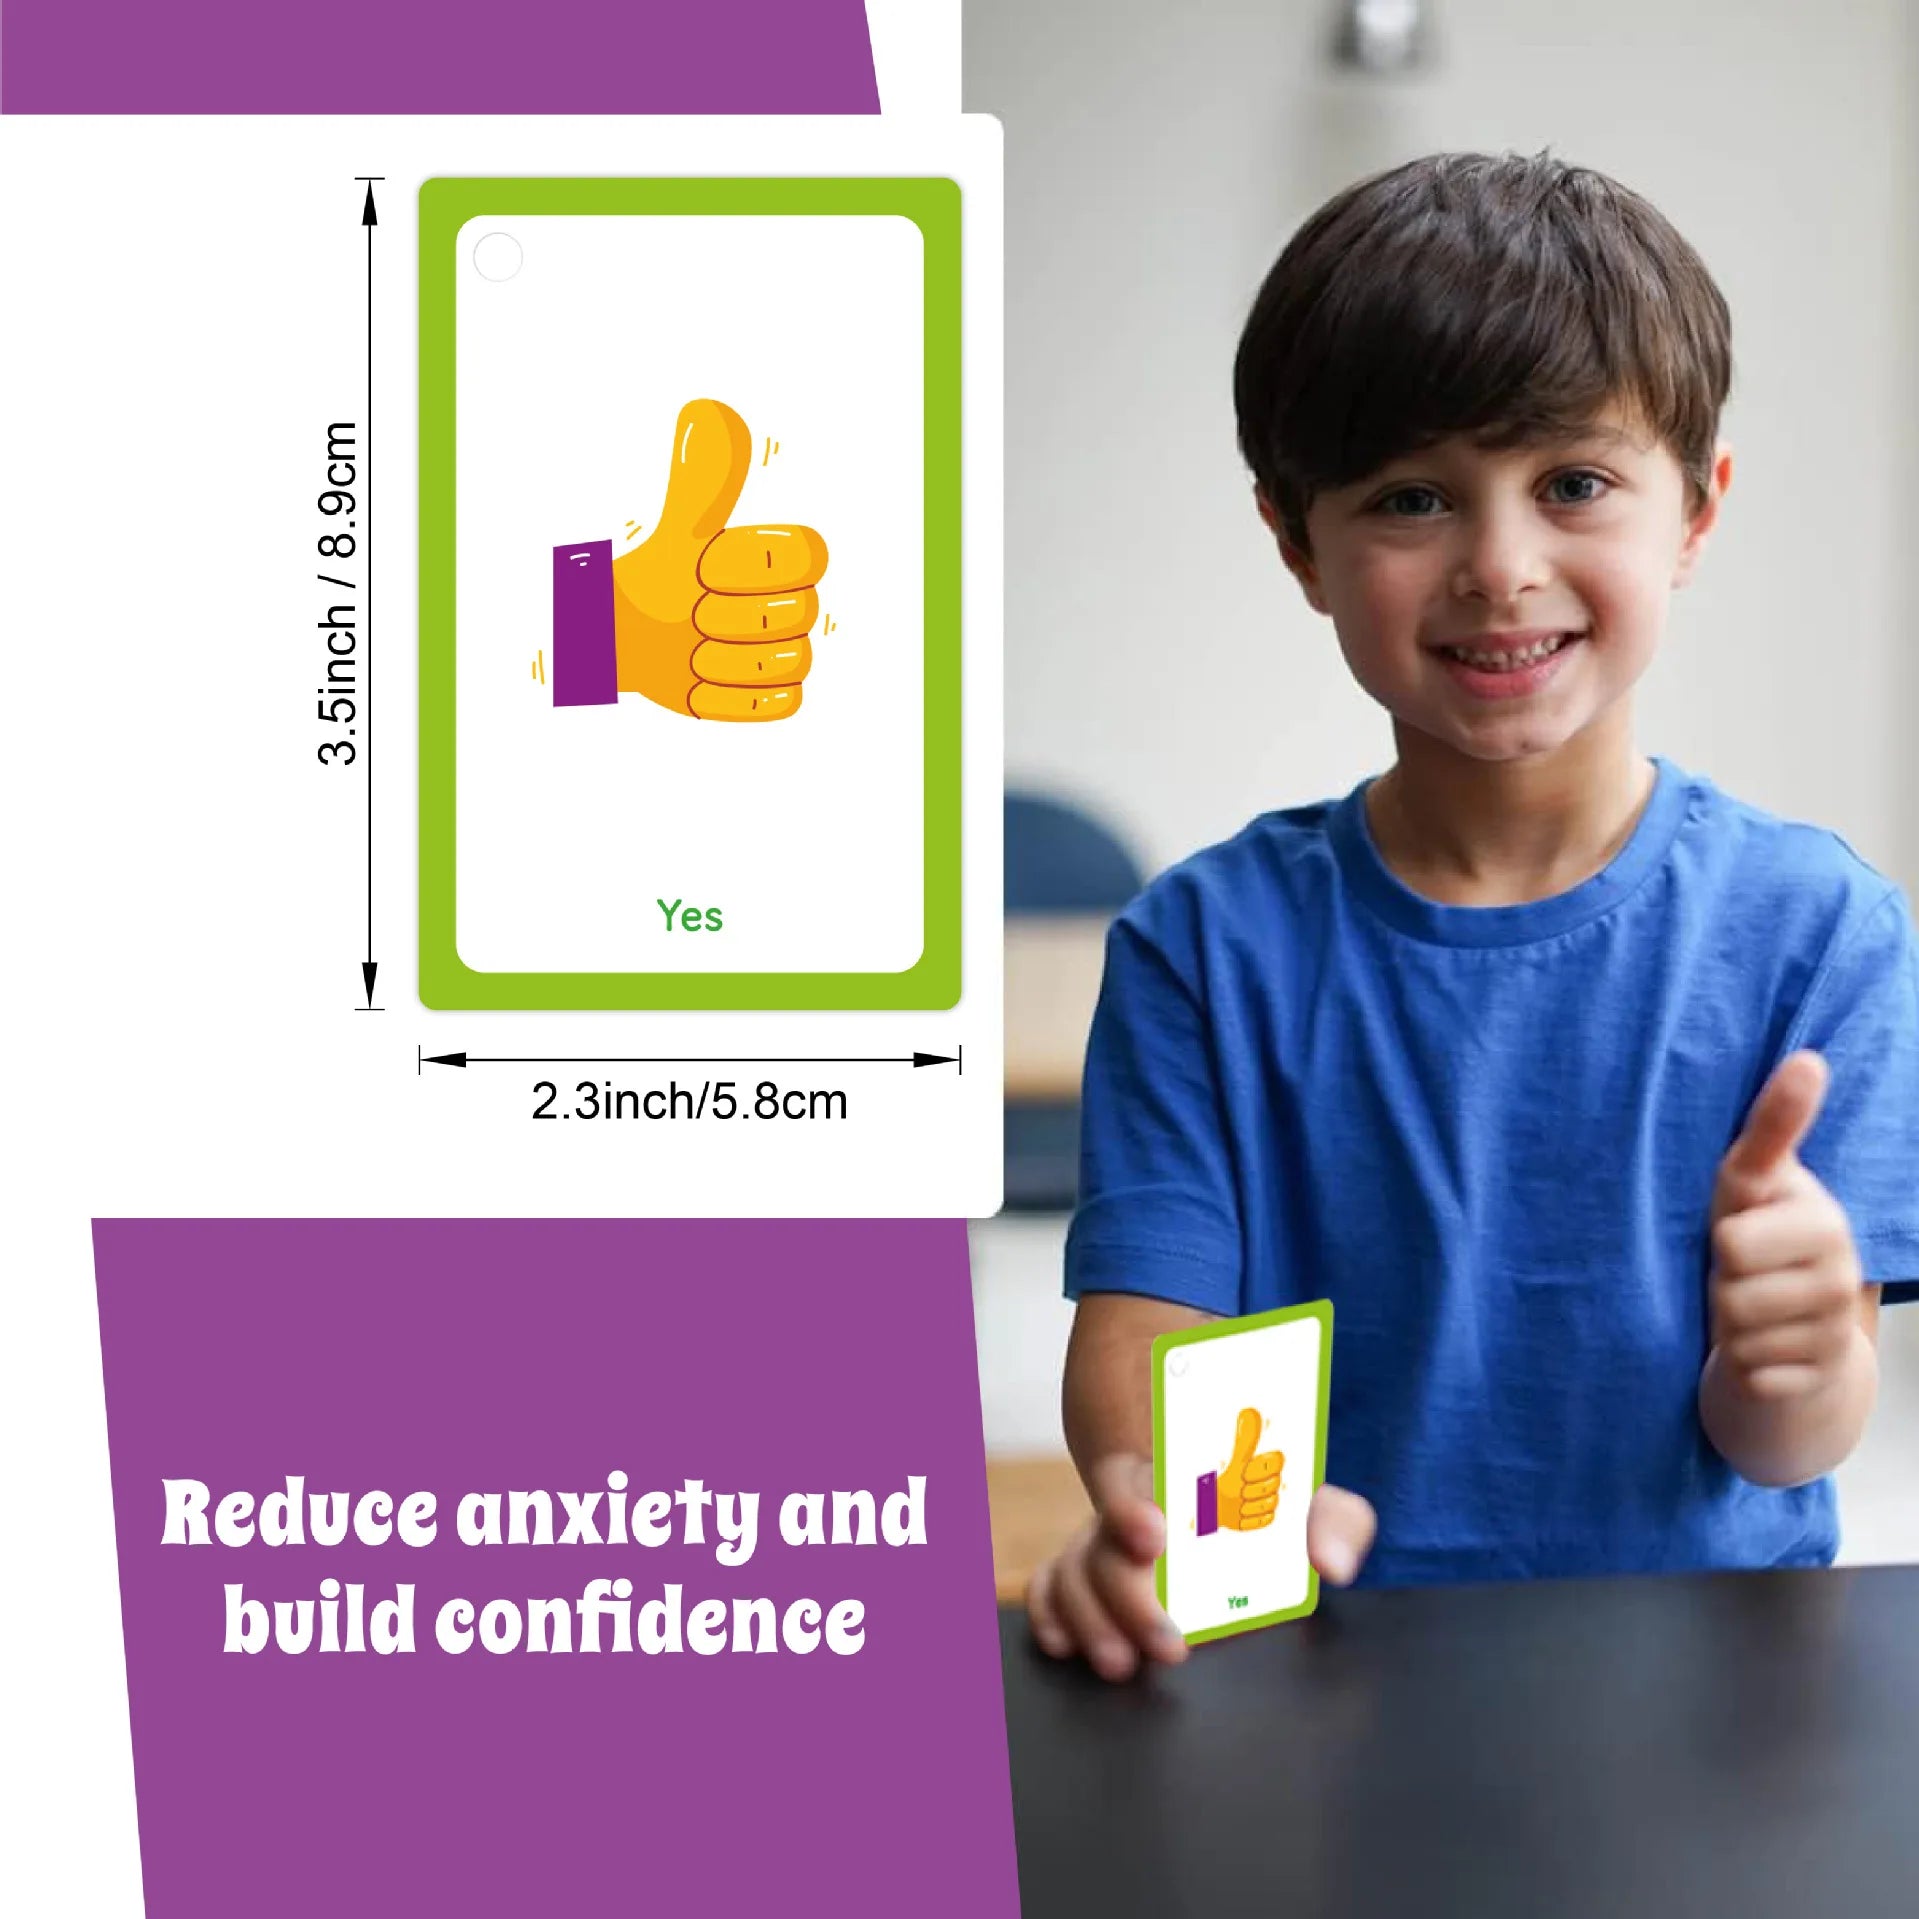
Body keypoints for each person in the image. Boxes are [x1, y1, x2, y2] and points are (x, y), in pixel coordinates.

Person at [1025, 150, 1919, 1682]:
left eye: (1574, 483)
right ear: (1298, 545)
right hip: (1319, 1667)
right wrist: (1169, 1511)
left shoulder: (1821, 929)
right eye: (1413, 499)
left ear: (1697, 511)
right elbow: (1145, 1330)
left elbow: (1781, 1444)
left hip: (1703, 1701)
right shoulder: (1198, 946)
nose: (1501, 569)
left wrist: (1807, 1350)